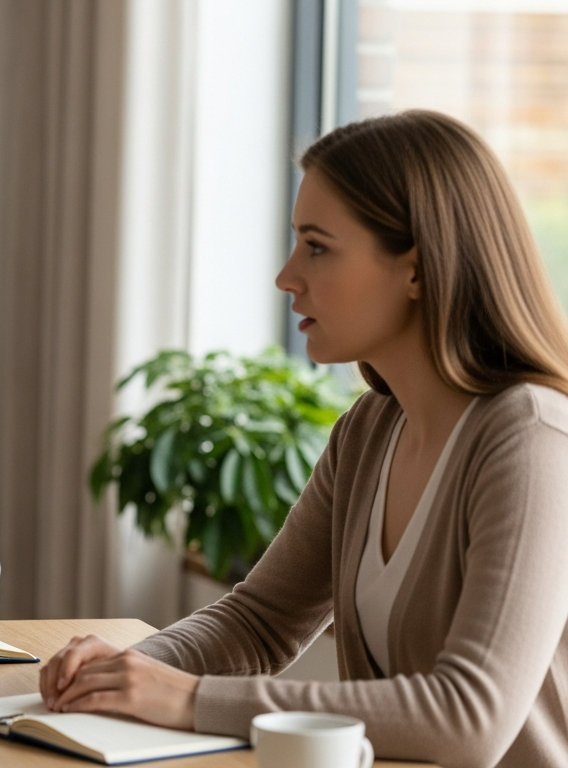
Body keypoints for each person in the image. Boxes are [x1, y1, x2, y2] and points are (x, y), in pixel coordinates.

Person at [38, 110, 568, 768]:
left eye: (317, 246)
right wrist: (127, 668)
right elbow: (259, 622)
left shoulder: (533, 439)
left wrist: (189, 699)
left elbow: (469, 717)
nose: (287, 277)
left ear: (418, 268)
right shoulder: (370, 431)